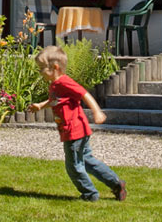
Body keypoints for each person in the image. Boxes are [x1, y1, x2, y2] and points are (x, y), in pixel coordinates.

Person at [28, 45, 127, 202]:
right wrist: (40, 105)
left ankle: (90, 194)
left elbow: (84, 94)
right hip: (75, 130)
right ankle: (116, 184)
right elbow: (56, 100)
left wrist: (97, 111)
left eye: (41, 69)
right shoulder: (55, 84)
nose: (40, 73)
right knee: (87, 160)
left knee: (73, 166)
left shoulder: (64, 82)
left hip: (73, 130)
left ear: (55, 67)